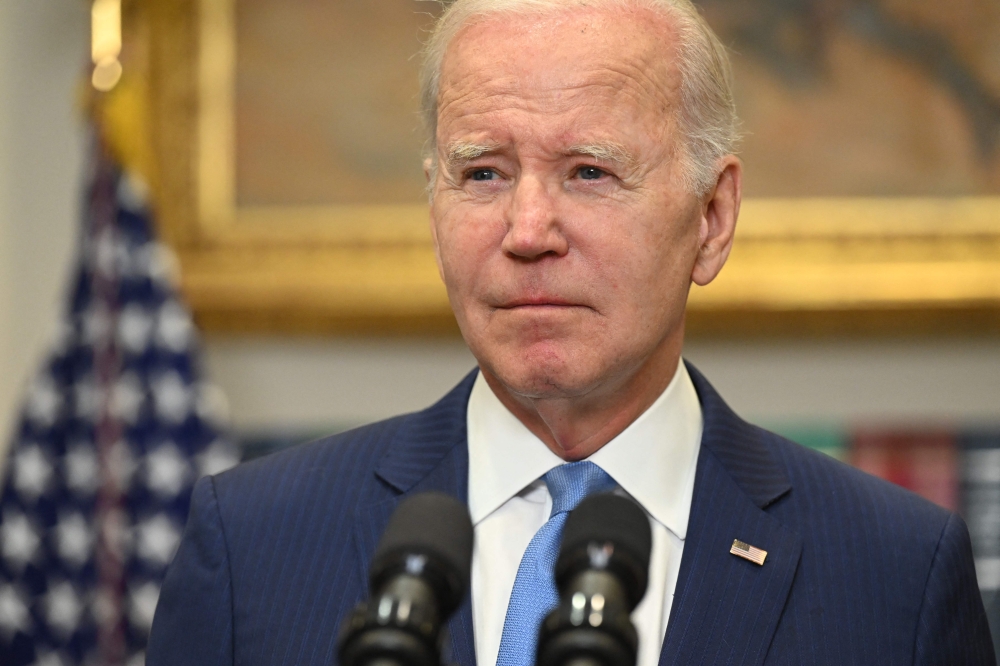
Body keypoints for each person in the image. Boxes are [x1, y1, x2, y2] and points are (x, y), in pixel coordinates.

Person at [148, 0, 996, 664]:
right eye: (484, 173)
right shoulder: (253, 545)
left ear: (711, 217)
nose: (527, 231)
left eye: (589, 172)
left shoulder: (895, 573)